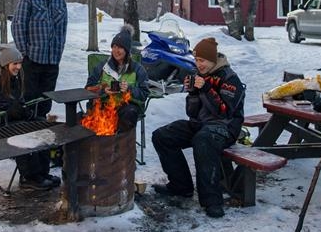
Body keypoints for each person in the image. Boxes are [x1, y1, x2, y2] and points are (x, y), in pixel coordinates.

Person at [151, 37, 245, 218]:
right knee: (162, 136)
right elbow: (192, 113)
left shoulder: (229, 78)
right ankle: (181, 186)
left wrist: (206, 89)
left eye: (202, 60)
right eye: (196, 60)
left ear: (212, 60)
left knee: (203, 140)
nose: (198, 64)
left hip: (225, 127)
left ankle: (212, 200)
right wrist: (193, 93)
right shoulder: (199, 75)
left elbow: (224, 112)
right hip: (201, 124)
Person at [0, 44, 60, 191]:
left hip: (10, 122)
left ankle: (42, 174)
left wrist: (26, 113)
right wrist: (5, 115)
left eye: (20, 63)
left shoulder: (14, 80)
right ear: (6, 64)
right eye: (15, 64)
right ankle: (28, 177)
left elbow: (18, 104)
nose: (19, 67)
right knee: (23, 135)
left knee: (42, 125)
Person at [11, 0, 68, 118]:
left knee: (46, 101)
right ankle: (29, 128)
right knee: (30, 99)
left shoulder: (60, 2)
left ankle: (42, 127)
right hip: (33, 59)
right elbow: (17, 25)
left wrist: (58, 52)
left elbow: (62, 30)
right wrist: (25, 52)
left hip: (52, 61)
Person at [84, 24, 148, 132]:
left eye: (120, 47)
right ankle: (100, 143)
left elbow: (144, 93)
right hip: (104, 104)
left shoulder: (138, 69)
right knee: (87, 114)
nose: (116, 50)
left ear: (127, 50)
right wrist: (103, 90)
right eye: (114, 46)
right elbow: (88, 88)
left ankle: (120, 143)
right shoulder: (102, 66)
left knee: (129, 112)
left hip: (126, 107)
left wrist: (129, 89)